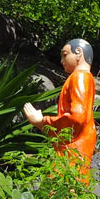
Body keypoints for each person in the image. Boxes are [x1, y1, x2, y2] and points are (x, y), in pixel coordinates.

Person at [23, 39, 96, 172]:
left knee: (66, 178)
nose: (62, 61)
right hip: (78, 139)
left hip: (75, 142)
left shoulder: (79, 77)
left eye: (65, 54)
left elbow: (78, 117)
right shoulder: (84, 77)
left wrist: (42, 122)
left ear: (78, 53)